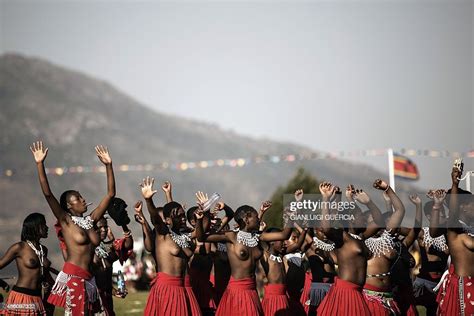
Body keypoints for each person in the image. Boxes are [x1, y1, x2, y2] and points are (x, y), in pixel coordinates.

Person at [30, 141, 115, 315]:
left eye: (82, 197)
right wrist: (40, 164)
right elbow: (48, 194)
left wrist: (109, 165)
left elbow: (110, 194)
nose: (83, 200)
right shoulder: (66, 221)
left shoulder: (91, 220)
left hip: (90, 279)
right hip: (75, 277)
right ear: (69, 206)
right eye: (78, 198)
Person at [195, 201, 293, 316]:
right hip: (236, 291)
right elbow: (201, 237)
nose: (258, 220)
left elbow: (284, 235)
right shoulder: (232, 236)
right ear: (246, 219)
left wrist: (290, 216)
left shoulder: (258, 237)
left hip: (252, 291)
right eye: (256, 217)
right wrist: (199, 220)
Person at [139, 177, 201, 316]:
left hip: (181, 286)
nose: (183, 219)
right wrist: (149, 200)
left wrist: (204, 214)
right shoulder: (162, 234)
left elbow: (174, 214)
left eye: (183, 216)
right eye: (179, 217)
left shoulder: (180, 235)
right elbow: (157, 218)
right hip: (167, 287)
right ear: (166, 221)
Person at [316, 182, 371, 316]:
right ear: (350, 219)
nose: (363, 218)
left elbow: (380, 219)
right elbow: (326, 228)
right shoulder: (344, 237)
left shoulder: (361, 238)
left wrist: (367, 202)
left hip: (358, 292)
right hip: (345, 293)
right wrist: (325, 198)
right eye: (360, 216)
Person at [433, 164, 474, 315]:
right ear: (463, 207)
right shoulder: (454, 230)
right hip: (464, 287)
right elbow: (453, 212)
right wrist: (455, 184)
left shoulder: (470, 229)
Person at [0, 213, 52, 315]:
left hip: (37, 298)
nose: (47, 227)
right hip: (21, 296)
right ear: (34, 227)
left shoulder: (43, 250)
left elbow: (42, 273)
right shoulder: (19, 247)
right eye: (43, 224)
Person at [91, 200, 134, 316]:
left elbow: (127, 245)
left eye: (106, 226)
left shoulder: (105, 250)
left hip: (107, 300)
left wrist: (123, 224)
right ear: (92, 229)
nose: (104, 229)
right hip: (92, 301)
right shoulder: (86, 250)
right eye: (100, 227)